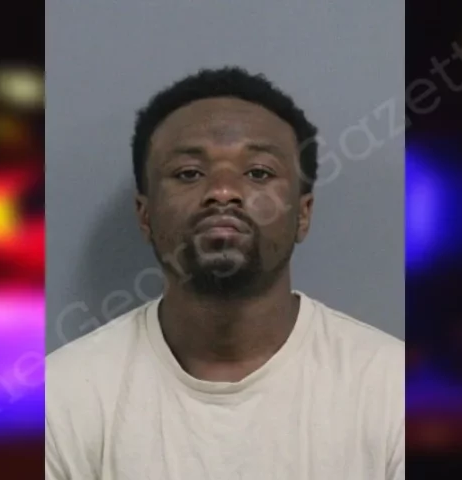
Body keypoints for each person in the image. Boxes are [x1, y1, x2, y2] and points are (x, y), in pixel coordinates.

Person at [46, 67, 404, 480]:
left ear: (303, 214)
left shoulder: (390, 390)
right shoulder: (64, 397)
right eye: (189, 173)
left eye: (258, 172)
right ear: (145, 216)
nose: (223, 192)